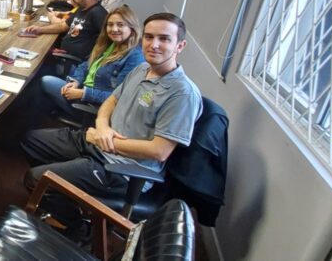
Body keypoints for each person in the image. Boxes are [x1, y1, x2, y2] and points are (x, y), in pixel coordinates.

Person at [21, 12, 202, 203]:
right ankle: (65, 194)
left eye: (164, 39)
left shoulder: (183, 93)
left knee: (35, 178)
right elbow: (111, 101)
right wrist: (102, 127)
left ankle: (76, 224)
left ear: (180, 46)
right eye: (149, 37)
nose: (153, 45)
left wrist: (102, 141)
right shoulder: (141, 69)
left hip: (122, 168)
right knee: (30, 140)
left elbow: (159, 151)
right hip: (98, 142)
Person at [40, 6, 144, 117]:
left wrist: (83, 94)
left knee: (45, 81)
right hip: (83, 89)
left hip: (94, 106)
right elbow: (86, 64)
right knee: (42, 75)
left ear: (132, 28)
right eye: (110, 25)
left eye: (120, 25)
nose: (114, 29)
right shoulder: (109, 44)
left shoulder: (135, 57)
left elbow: (119, 97)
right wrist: (75, 81)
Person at [25, 0, 107, 62]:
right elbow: (63, 26)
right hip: (63, 54)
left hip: (73, 62)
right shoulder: (82, 8)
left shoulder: (98, 13)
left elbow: (108, 42)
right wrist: (39, 29)